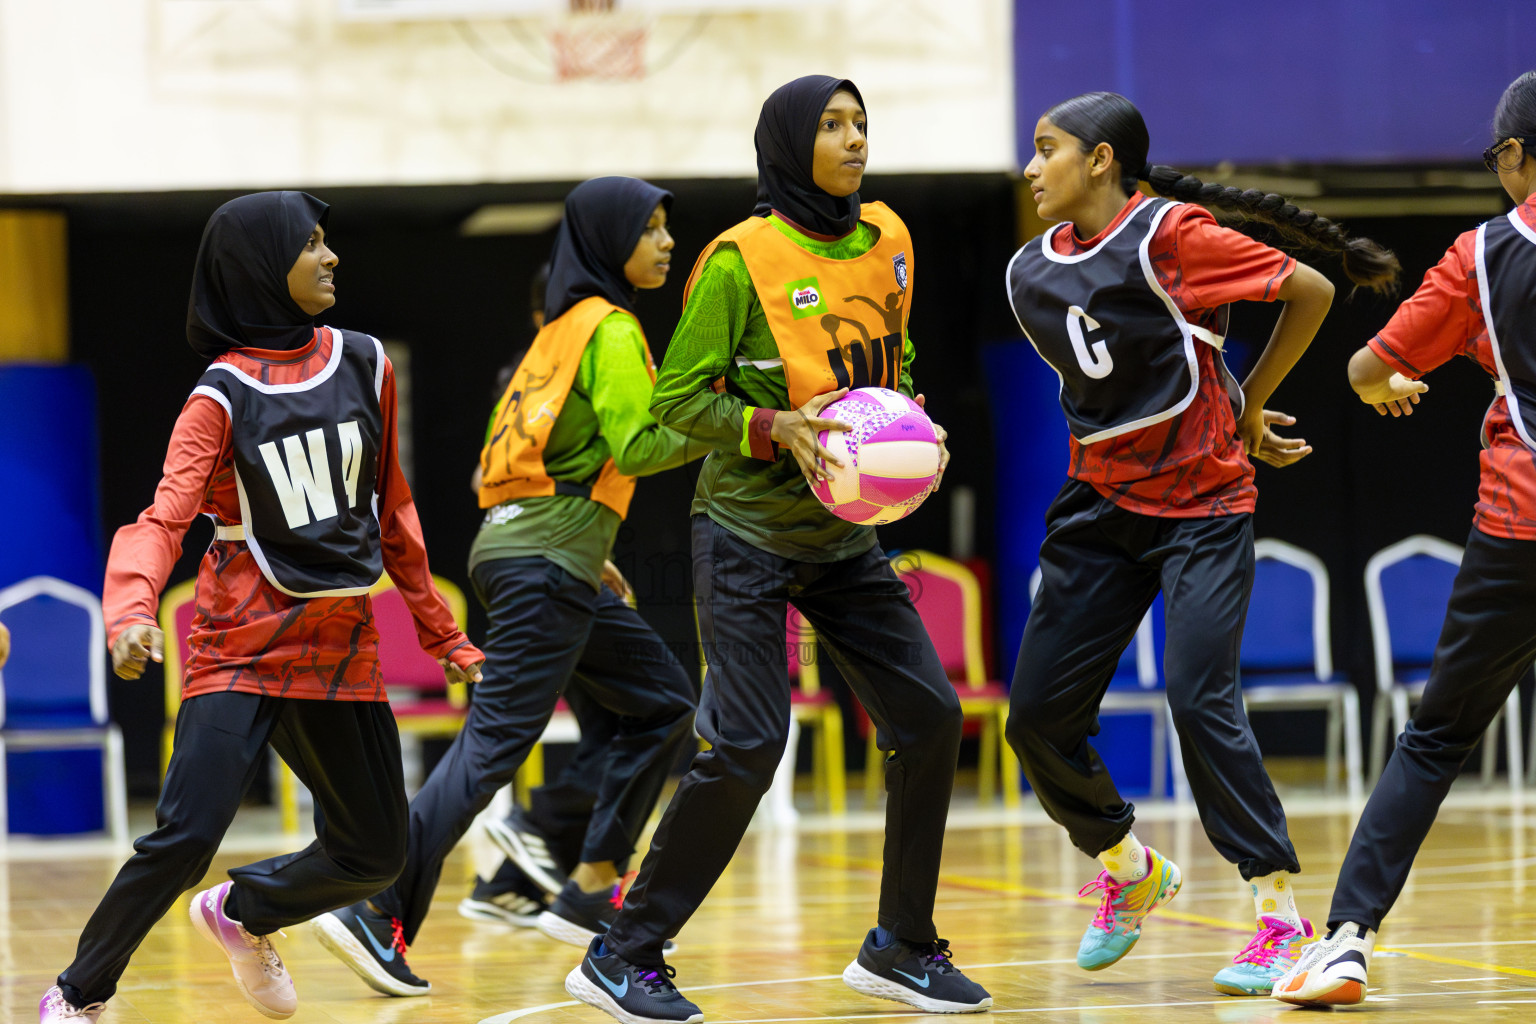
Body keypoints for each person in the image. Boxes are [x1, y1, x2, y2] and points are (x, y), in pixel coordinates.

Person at [564, 76, 991, 1024]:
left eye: (861, 123)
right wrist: (772, 428)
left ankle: (902, 946)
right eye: (832, 126)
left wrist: (915, 430)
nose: (853, 140)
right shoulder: (735, 261)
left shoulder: (890, 240)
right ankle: (622, 954)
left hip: (844, 539)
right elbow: (677, 403)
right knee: (750, 740)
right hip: (744, 535)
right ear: (790, 144)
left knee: (927, 717)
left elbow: (896, 363)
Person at [38, 191, 484, 1024]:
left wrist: (444, 634)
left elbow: (393, 510)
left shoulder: (366, 363)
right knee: (184, 839)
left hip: (340, 640)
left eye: (328, 241)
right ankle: (76, 994)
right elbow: (163, 517)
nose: (332, 257)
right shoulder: (219, 395)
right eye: (311, 244)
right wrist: (130, 611)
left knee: (377, 851)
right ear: (258, 269)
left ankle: (243, 912)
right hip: (239, 640)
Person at [1002, 91, 1399, 996]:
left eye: (1047, 148)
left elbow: (1314, 288)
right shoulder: (1030, 271)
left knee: (1197, 693)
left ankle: (1278, 918)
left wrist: (1250, 406)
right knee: (1035, 719)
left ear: (1101, 160)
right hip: (1101, 509)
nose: (1031, 167)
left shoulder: (1175, 236)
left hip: (1204, 507)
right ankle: (1130, 865)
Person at [314, 175, 699, 995]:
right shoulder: (612, 328)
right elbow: (636, 445)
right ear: (608, 242)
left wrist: (587, 546)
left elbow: (529, 460)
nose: (667, 242)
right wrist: (730, 421)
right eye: (653, 229)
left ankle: (583, 879)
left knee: (663, 705)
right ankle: (376, 910)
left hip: (526, 550)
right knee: (490, 747)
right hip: (543, 559)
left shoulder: (554, 332)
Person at [1276, 70, 1536, 1007]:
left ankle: (1344, 941)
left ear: (1513, 155)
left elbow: (1367, 365)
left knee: (1434, 740)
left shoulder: (1484, 255)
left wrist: (1388, 384)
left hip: (1521, 528)